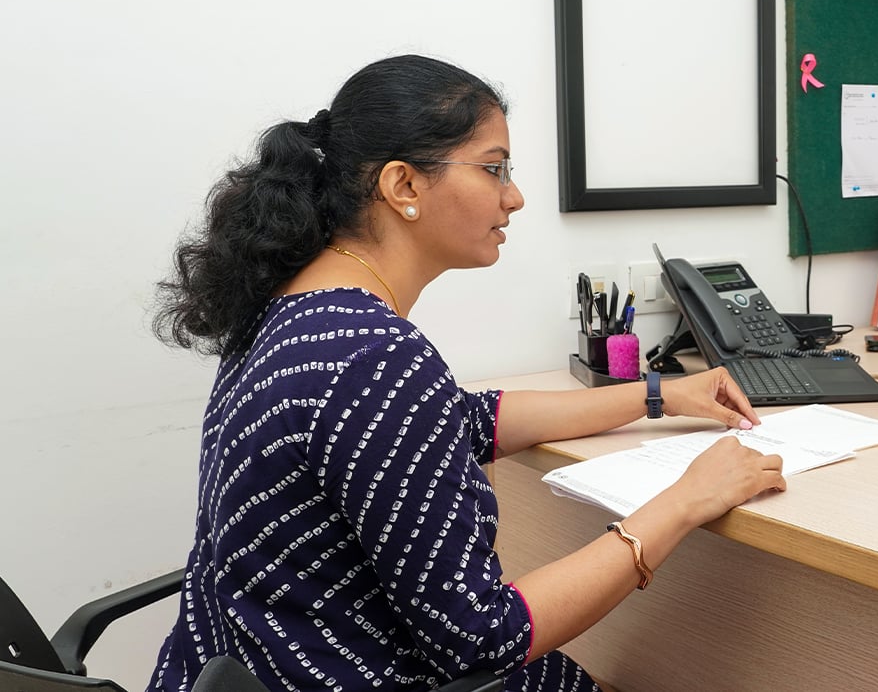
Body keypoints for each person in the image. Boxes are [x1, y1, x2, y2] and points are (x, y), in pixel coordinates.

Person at [146, 55, 785, 692]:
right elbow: (484, 637)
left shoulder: (296, 313)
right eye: (493, 169)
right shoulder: (375, 358)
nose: (515, 195)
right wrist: (682, 503)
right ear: (403, 187)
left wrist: (659, 394)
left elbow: (460, 420)